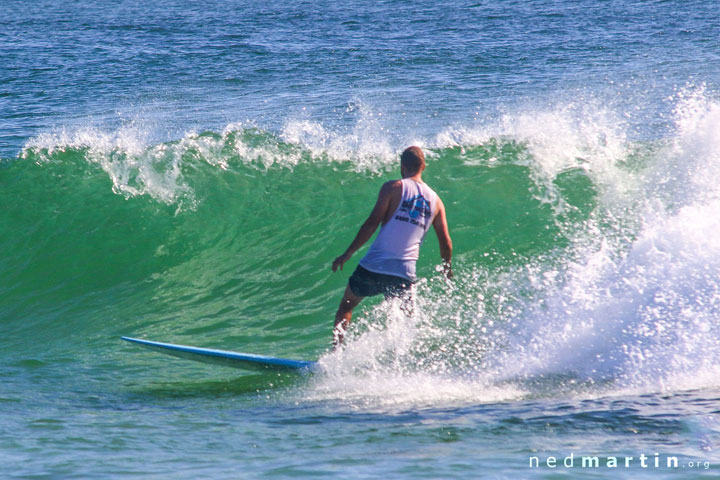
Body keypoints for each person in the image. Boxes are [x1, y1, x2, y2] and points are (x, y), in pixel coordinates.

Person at [331, 146, 453, 347]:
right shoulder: (437, 202)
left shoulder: (394, 187)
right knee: (406, 322)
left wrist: (347, 254)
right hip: (404, 272)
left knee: (346, 307)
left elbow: (372, 223)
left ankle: (335, 355)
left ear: (403, 166)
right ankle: (401, 364)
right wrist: (447, 267)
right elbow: (445, 241)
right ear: (423, 166)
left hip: (374, 266)